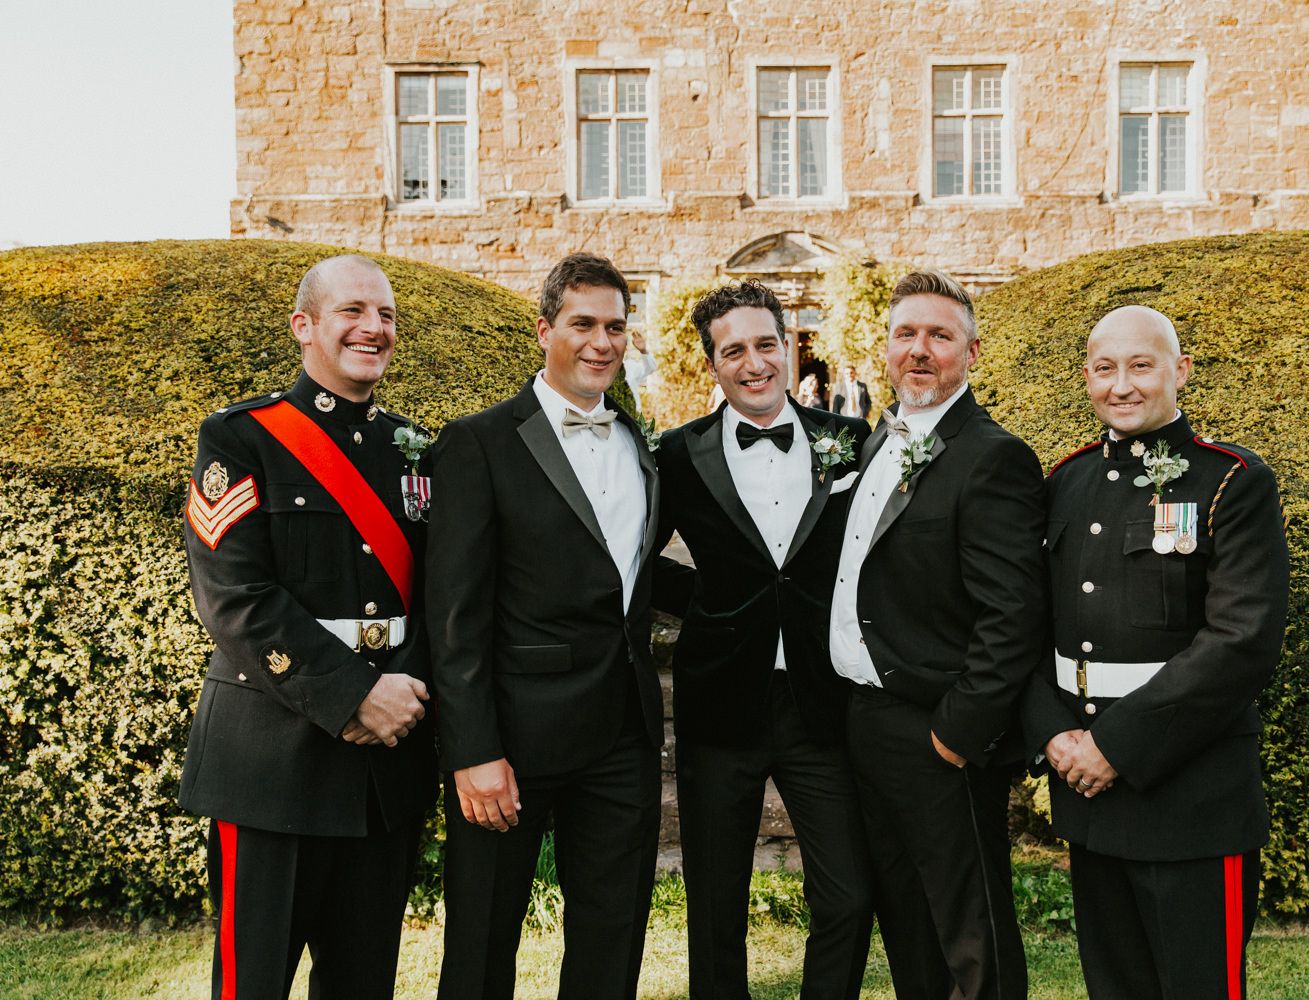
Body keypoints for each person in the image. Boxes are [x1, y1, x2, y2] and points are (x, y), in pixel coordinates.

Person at [178, 254, 436, 999]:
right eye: (352, 311)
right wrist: (356, 696)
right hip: (271, 765)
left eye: (386, 315)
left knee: (362, 985)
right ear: (305, 326)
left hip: (382, 774)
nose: (373, 327)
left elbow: (443, 594)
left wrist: (407, 692)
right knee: (253, 984)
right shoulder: (240, 439)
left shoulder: (415, 450)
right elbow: (234, 597)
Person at [1024, 304, 1289, 1000]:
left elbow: (1242, 641)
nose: (1122, 385)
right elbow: (1029, 628)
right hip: (1088, 799)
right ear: (1087, 376)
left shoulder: (1231, 480)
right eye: (1104, 368)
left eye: (1141, 365)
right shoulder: (1066, 482)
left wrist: (1113, 747)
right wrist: (1051, 732)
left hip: (1191, 804)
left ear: (1181, 371)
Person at [426, 253, 663, 999]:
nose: (602, 342)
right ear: (544, 330)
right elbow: (454, 615)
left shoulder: (637, 443)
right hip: (513, 740)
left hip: (622, 735)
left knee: (612, 940)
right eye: (582, 324)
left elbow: (632, 575)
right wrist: (473, 750)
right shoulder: (478, 442)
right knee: (482, 940)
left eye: (615, 327)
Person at [653, 280, 874, 1000]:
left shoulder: (850, 440)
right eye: (734, 351)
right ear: (712, 364)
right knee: (716, 903)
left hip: (823, 701)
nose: (754, 363)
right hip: (720, 703)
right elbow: (633, 558)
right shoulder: (678, 453)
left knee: (848, 894)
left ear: (787, 346)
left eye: (766, 345)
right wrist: (710, 602)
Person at [829, 270, 1045, 999]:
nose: (919, 350)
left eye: (939, 336)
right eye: (906, 334)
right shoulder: (875, 442)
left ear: (972, 353)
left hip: (938, 734)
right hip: (867, 721)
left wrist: (957, 733)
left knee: (970, 936)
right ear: (887, 347)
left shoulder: (993, 456)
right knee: (908, 927)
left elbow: (1013, 616)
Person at [623, 328, 657, 408]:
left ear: (625, 348)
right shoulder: (602, 369)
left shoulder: (630, 366)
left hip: (632, 414)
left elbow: (651, 368)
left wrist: (643, 351)